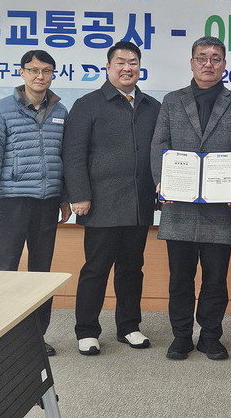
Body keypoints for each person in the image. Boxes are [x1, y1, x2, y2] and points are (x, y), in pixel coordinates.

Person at [151, 36, 231, 361]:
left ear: (224, 64)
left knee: (215, 279)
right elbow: (160, 143)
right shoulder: (172, 100)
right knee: (179, 279)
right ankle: (181, 336)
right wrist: (161, 182)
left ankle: (211, 336)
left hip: (220, 206)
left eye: (215, 58)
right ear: (192, 62)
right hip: (178, 205)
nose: (208, 64)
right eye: (202, 57)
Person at [63, 41, 161, 356]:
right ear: (108, 67)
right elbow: (73, 154)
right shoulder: (88, 104)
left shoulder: (152, 106)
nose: (127, 68)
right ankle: (87, 331)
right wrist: (79, 195)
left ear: (140, 67)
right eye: (120, 62)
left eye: (133, 62)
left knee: (132, 268)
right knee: (96, 268)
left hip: (138, 204)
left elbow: (162, 153)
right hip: (100, 203)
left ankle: (129, 326)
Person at [0, 49, 70, 356]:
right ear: (22, 73)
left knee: (41, 274)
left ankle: (36, 338)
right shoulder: (2, 110)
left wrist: (64, 197)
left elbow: (65, 158)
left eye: (46, 71)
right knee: (5, 270)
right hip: (13, 200)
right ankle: (0, 337)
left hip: (47, 202)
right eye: (33, 70)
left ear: (53, 74)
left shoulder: (60, 110)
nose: (39, 76)